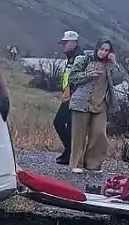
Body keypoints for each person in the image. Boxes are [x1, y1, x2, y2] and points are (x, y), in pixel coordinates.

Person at [66, 40, 123, 173]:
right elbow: (72, 78)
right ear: (97, 48)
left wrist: (115, 63)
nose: (103, 52)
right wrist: (88, 75)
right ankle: (76, 164)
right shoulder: (84, 59)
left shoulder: (109, 66)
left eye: (107, 50)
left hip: (101, 104)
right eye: (102, 49)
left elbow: (119, 79)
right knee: (79, 135)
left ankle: (93, 164)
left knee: (99, 134)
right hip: (82, 102)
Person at [52, 31, 85, 164]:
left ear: (73, 43)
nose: (63, 45)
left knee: (59, 122)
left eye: (65, 43)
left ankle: (71, 152)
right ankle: (69, 154)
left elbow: (79, 78)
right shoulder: (71, 57)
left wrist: (72, 93)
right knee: (69, 126)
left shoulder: (79, 58)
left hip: (74, 96)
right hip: (69, 95)